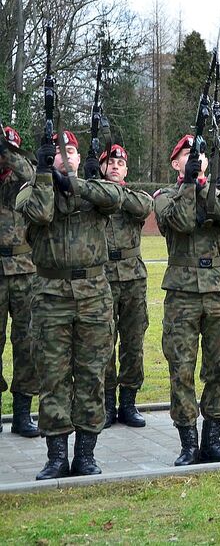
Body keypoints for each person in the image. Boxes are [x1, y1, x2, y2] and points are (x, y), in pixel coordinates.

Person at [16, 130, 123, 479]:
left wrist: (75, 184)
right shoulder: (31, 189)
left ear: (79, 158)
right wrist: (46, 174)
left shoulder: (95, 190)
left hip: (93, 296)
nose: (67, 156)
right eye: (59, 152)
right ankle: (56, 456)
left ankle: (86, 455)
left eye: (71, 151)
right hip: (50, 296)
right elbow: (40, 214)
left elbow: (115, 198)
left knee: (92, 375)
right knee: (53, 377)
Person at [154, 135, 220, 466]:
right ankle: (189, 442)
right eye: (188, 156)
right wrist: (189, 185)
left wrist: (203, 183)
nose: (196, 159)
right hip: (182, 294)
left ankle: (213, 440)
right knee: (182, 369)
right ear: (176, 163)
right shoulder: (164, 197)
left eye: (200, 155)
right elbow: (181, 221)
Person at [100, 144, 152, 429]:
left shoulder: (135, 197)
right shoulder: (94, 197)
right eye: (110, 162)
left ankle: (128, 402)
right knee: (104, 343)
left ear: (127, 170)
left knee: (133, 342)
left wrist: (113, 190)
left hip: (133, 278)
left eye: (120, 163)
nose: (115, 166)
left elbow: (143, 208)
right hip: (103, 277)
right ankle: (108, 402)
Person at [0, 126, 39, 437]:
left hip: (24, 269)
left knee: (25, 343)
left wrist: (8, 153)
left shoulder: (22, 178)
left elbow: (31, 173)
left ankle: (23, 413)